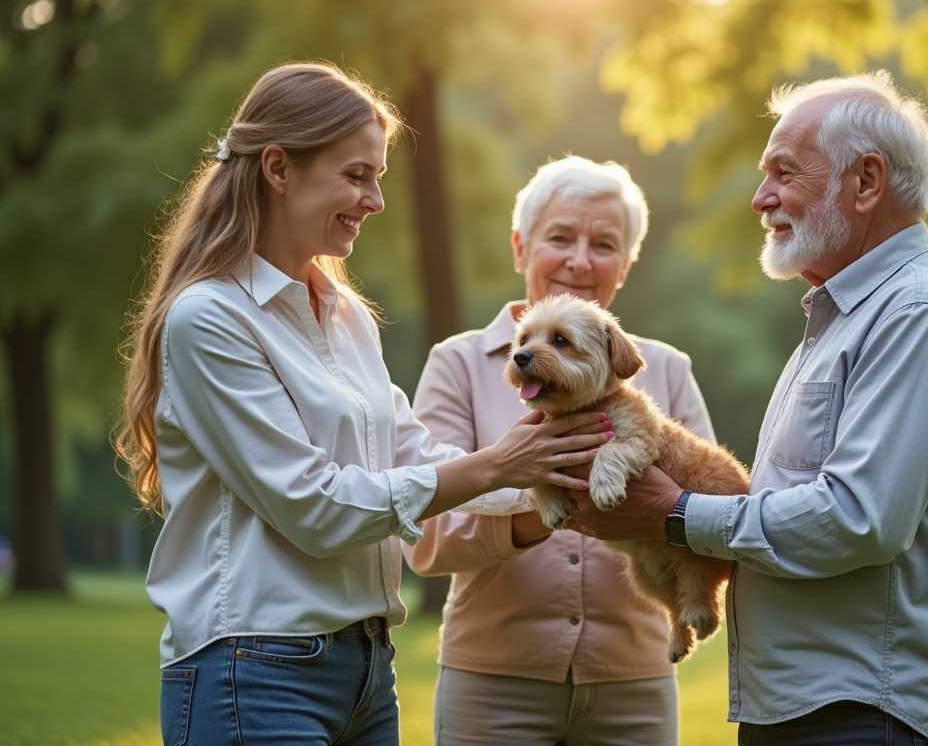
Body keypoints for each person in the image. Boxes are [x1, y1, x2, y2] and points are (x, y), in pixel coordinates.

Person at [115, 63, 613, 746]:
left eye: (376, 177)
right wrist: (503, 466)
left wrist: (553, 482)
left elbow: (412, 455)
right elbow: (315, 508)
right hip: (255, 671)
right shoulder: (209, 319)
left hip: (367, 671)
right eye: (356, 176)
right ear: (278, 167)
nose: (374, 199)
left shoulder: (345, 314)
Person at [565, 71, 928, 746]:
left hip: (871, 715)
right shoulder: (844, 318)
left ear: (866, 183)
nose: (759, 198)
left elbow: (859, 519)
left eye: (783, 172)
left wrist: (678, 515)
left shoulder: (921, 315)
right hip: (813, 709)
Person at [403, 156, 715, 746]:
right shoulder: (460, 363)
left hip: (636, 687)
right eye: (560, 238)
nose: (578, 260)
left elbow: (706, 503)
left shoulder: (666, 369)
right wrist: (539, 505)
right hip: (492, 686)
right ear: (521, 248)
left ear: (625, 265)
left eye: (603, 244)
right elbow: (425, 537)